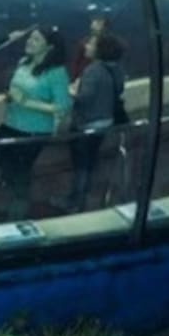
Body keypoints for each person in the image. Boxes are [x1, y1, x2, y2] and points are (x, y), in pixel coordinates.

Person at [0, 26, 70, 219]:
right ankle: (9, 199)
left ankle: (19, 209)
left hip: (34, 130)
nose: (29, 42)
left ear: (49, 47)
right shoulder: (23, 63)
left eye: (35, 39)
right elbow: (18, 91)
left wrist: (26, 102)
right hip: (10, 123)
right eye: (30, 38)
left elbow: (62, 107)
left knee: (21, 171)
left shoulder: (56, 72)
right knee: (5, 164)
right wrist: (11, 97)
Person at [61, 33, 126, 213]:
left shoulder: (93, 70)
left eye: (91, 44)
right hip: (105, 122)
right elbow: (119, 90)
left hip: (87, 124)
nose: (86, 46)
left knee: (81, 165)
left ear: (100, 50)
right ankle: (83, 198)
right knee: (90, 162)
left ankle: (75, 201)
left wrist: (72, 91)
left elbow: (84, 98)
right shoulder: (117, 69)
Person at [69, 16, 110, 83]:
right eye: (94, 23)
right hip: (85, 75)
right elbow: (77, 61)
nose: (93, 25)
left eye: (98, 23)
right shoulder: (84, 41)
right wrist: (75, 77)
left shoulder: (109, 42)